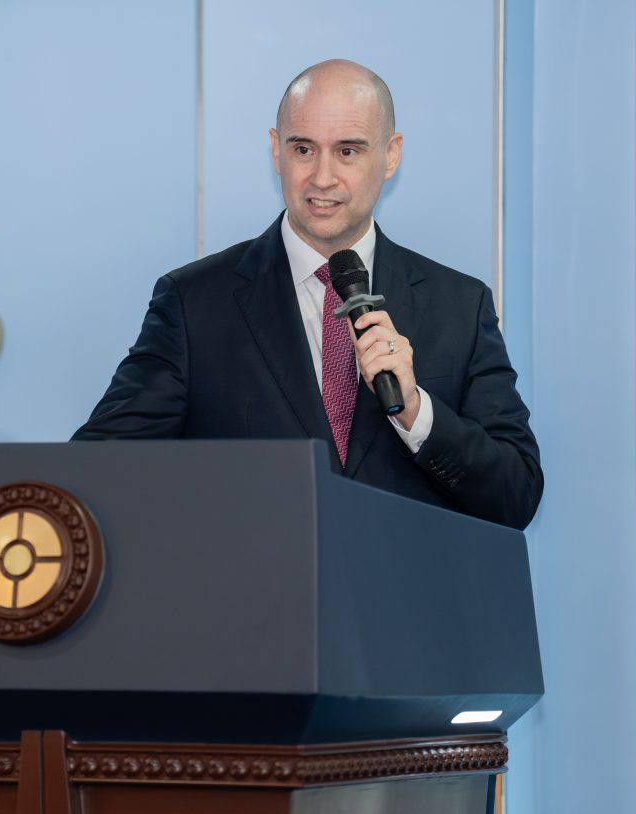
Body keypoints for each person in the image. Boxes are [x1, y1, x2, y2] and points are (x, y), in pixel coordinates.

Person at [73, 59, 542, 530]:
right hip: (256, 576)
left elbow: (516, 495)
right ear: (276, 151)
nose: (322, 177)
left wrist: (416, 412)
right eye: (303, 149)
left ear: (391, 154)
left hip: (402, 577)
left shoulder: (459, 305)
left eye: (348, 151)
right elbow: (97, 470)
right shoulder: (193, 303)